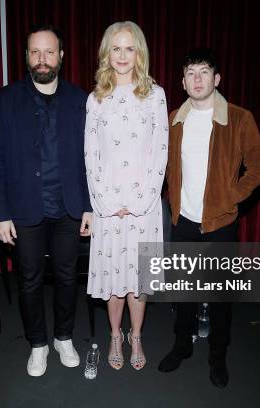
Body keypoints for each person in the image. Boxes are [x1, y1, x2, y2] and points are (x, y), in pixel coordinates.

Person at [158, 48, 260, 388]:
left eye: (204, 72)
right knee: (184, 291)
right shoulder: (175, 118)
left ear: (216, 79)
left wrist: (230, 196)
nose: (197, 79)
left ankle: (217, 356)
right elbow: (163, 167)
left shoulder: (238, 118)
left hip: (220, 222)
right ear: (182, 81)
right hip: (184, 223)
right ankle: (181, 347)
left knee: (220, 296)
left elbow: (259, 167)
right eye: (190, 73)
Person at [0, 25, 92, 377]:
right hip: (24, 211)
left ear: (61, 56)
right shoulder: (4, 101)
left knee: (66, 277)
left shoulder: (81, 100)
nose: (42, 59)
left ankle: (63, 337)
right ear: (27, 57)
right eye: (35, 52)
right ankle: (38, 343)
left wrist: (89, 206)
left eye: (49, 52)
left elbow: (92, 158)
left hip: (68, 209)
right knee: (29, 280)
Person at [85, 21, 168, 371]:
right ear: (107, 53)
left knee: (137, 281)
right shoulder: (96, 98)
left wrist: (140, 202)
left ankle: (136, 335)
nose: (122, 56)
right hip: (107, 208)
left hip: (143, 208)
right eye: (115, 48)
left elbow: (160, 151)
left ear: (140, 53)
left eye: (129, 48)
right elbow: (91, 154)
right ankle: (114, 334)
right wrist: (102, 202)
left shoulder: (155, 95)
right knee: (113, 280)